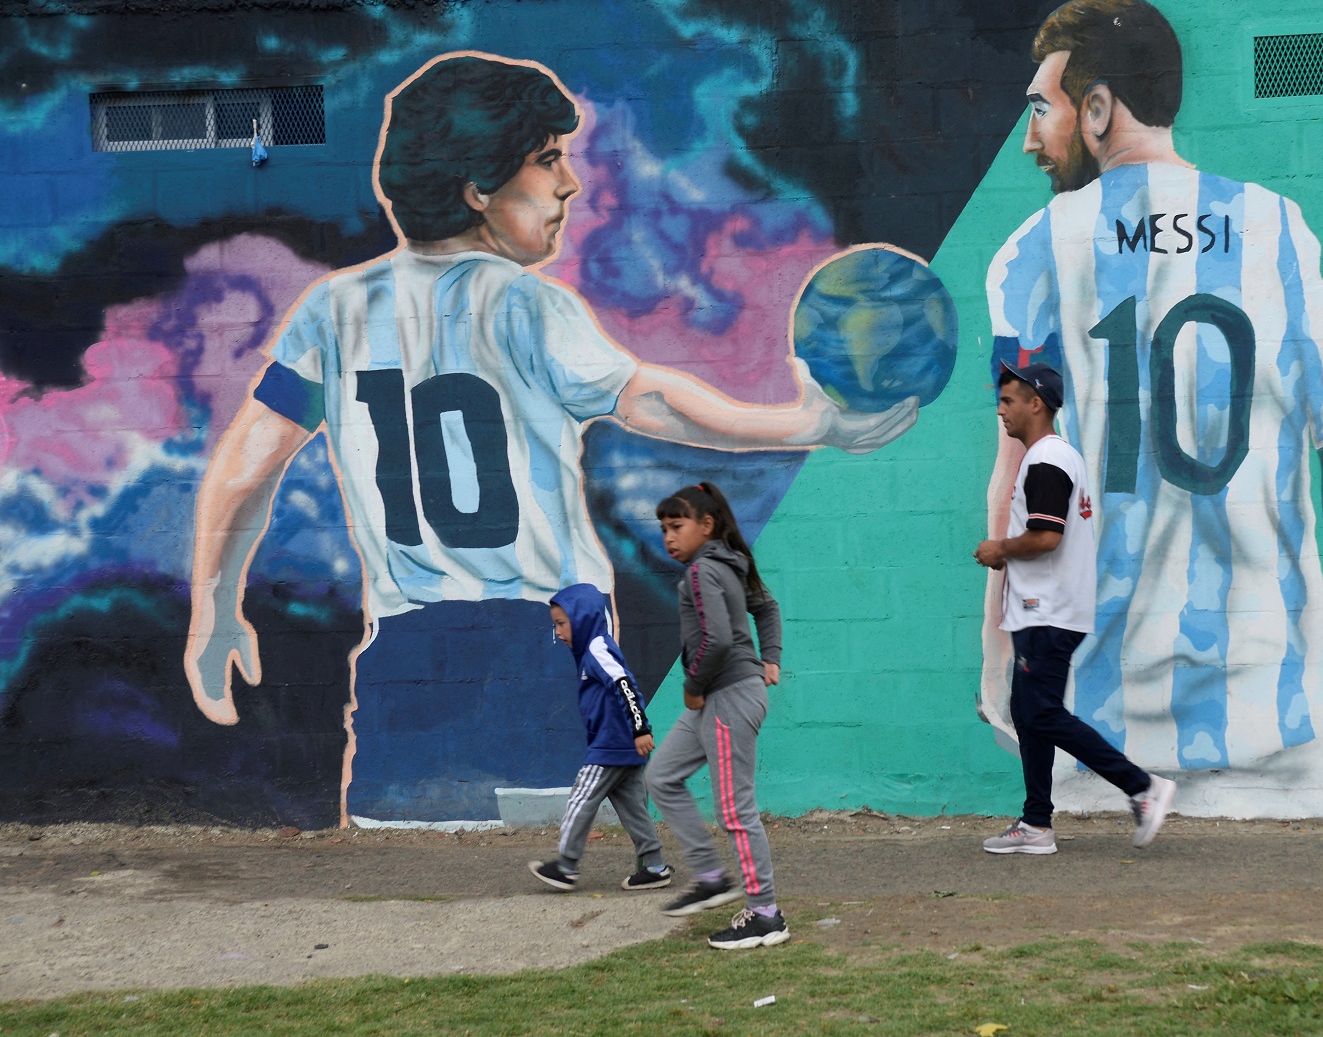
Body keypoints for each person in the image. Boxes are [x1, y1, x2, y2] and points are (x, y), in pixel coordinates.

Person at [184, 51, 917, 826]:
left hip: (405, 655)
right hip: (545, 640)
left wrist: (213, 606)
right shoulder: (529, 306)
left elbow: (245, 465)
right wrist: (804, 425)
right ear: (477, 187)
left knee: (410, 879)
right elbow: (653, 402)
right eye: (546, 160)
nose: (568, 182)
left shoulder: (331, 311)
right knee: (574, 862)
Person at [981, 0, 1323, 820]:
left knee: (1094, 942)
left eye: (1040, 110)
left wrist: (998, 652)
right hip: (1273, 702)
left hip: (1099, 709)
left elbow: (1017, 463)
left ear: (1096, 109)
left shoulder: (1032, 250)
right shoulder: (1278, 226)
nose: (1029, 140)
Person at [976, 362, 1176, 853]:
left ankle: (1142, 788)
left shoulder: (1047, 459)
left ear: (1035, 403)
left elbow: (1046, 536)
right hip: (1043, 608)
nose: (1001, 410)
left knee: (1039, 712)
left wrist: (1000, 549)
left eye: (1008, 400)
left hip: (1047, 609)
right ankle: (1037, 824)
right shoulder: (1053, 456)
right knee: (1029, 713)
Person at [645, 482, 789, 950]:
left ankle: (766, 914)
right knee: (663, 775)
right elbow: (766, 608)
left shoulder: (706, 570)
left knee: (735, 809)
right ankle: (710, 875)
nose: (668, 536)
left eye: (677, 526)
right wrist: (769, 657)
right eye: (664, 528)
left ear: (706, 526)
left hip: (723, 696)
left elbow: (718, 639)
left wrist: (691, 687)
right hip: (722, 695)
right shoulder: (729, 564)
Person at [526, 583, 671, 893]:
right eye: (555, 624)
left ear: (583, 618)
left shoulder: (597, 648)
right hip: (624, 747)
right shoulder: (593, 649)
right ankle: (655, 866)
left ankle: (565, 865)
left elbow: (625, 685)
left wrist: (640, 728)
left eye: (562, 623)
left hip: (611, 746)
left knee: (582, 796)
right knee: (633, 809)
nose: (559, 632)